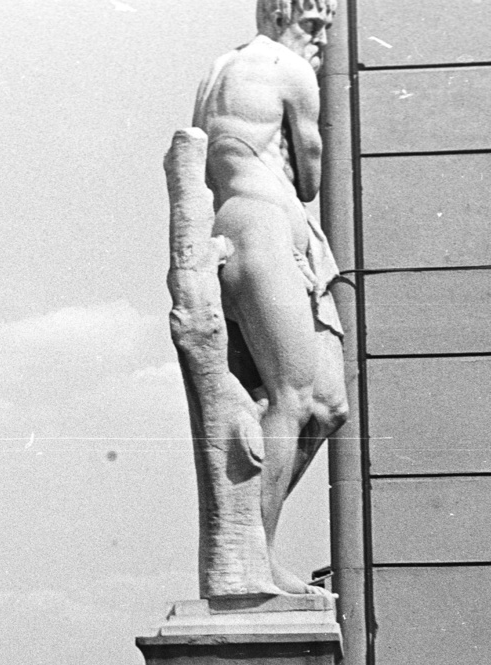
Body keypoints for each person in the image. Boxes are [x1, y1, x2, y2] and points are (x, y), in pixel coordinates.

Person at [193, 0, 345, 593]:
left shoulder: (217, 72)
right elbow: (310, 176)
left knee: (328, 403)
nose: (319, 44)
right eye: (313, 27)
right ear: (283, 14)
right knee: (290, 395)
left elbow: (209, 166)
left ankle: (252, 539)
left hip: (238, 226)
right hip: (264, 229)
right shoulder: (288, 67)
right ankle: (248, 558)